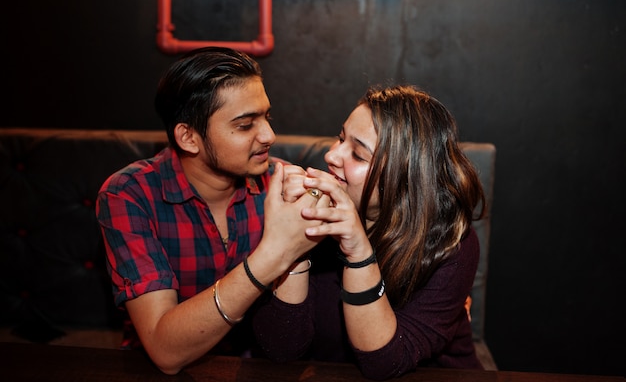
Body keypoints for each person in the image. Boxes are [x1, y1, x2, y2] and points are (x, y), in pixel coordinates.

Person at [96, 47, 329, 375]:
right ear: (188, 138)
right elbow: (165, 351)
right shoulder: (131, 195)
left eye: (266, 117)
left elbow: (288, 342)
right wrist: (274, 254)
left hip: (257, 364)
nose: (269, 135)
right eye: (246, 125)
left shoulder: (279, 184)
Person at [252, 85, 486, 380]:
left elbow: (385, 362)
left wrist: (358, 253)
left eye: (358, 155)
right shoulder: (314, 212)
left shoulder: (451, 243)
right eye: (339, 138)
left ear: (405, 177)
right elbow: (280, 349)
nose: (331, 155)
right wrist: (294, 245)